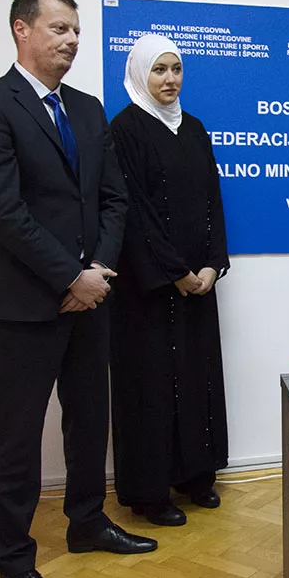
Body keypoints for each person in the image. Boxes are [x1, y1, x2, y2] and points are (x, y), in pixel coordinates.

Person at [0, 0, 156, 578]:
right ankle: (15, 563)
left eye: (76, 31)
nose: (72, 40)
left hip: (91, 297)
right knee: (16, 436)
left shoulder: (89, 110)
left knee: (89, 419)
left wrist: (96, 273)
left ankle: (87, 522)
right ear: (22, 29)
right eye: (59, 28)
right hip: (22, 302)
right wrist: (70, 277)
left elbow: (115, 199)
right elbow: (3, 211)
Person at [108, 34, 230, 527]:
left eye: (176, 69)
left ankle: (196, 475)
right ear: (141, 74)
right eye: (159, 70)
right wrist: (174, 271)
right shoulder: (124, 129)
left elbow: (212, 202)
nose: (170, 79)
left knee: (197, 377)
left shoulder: (194, 128)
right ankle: (150, 492)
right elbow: (132, 212)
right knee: (152, 385)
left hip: (198, 285)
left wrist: (212, 265)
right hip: (149, 291)